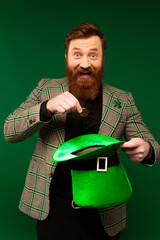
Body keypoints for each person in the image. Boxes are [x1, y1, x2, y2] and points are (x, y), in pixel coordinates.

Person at [4, 23, 160, 240]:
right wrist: (46, 107)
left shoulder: (123, 100)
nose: (85, 63)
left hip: (104, 211)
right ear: (66, 56)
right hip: (53, 208)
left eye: (93, 55)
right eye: (77, 54)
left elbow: (148, 141)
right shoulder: (45, 89)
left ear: (103, 58)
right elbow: (9, 131)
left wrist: (147, 149)